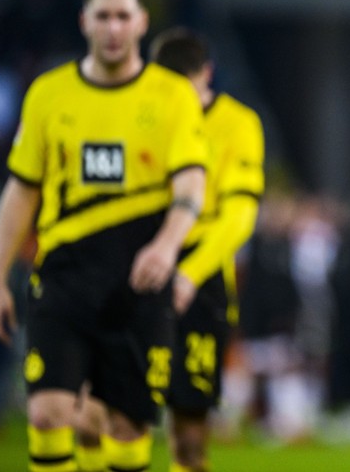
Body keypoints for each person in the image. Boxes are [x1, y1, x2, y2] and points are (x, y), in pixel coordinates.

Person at [0, 0, 208, 472]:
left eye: (123, 16)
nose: (113, 27)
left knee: (127, 429)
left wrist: (167, 246)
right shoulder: (49, 94)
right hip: (64, 277)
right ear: (84, 21)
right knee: (46, 413)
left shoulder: (170, 96)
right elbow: (21, 191)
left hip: (138, 282)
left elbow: (192, 183)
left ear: (142, 22)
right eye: (103, 16)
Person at [74, 27, 266, 471]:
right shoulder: (132, 117)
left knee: (189, 438)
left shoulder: (238, 123)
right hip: (133, 271)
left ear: (208, 76)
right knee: (98, 417)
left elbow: (238, 216)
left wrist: (189, 273)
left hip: (198, 285)